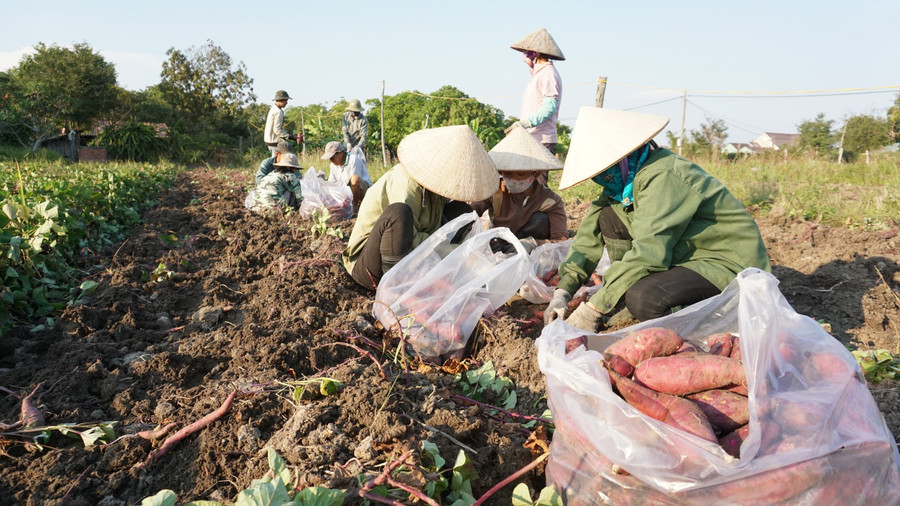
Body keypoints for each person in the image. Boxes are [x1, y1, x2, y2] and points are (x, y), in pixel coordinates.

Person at [544, 107, 771, 332]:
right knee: (609, 216)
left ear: (622, 158)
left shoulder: (662, 174)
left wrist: (594, 308)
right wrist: (563, 292)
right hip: (685, 258)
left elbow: (649, 252)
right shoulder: (626, 183)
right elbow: (586, 239)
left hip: (726, 265)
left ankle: (714, 319)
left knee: (644, 299)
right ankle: (625, 292)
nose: (602, 177)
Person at [343, 125, 499, 290]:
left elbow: (434, 231)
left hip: (414, 258)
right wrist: (455, 252)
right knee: (399, 213)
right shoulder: (406, 183)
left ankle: (440, 274)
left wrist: (471, 252)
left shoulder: (437, 187)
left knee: (461, 212)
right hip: (372, 266)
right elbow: (408, 236)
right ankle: (395, 288)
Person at [469, 123, 567, 249]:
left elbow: (561, 240)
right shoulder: (494, 190)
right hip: (499, 241)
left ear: (536, 173)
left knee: (540, 219)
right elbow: (471, 213)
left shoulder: (550, 200)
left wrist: (533, 244)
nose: (513, 179)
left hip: (531, 247)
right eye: (508, 174)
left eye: (520, 174)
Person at [509, 28, 564, 183]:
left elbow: (549, 107)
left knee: (538, 187)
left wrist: (525, 123)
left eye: (527, 51)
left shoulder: (548, 74)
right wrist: (532, 66)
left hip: (541, 139)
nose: (525, 54)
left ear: (537, 53)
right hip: (533, 137)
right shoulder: (541, 73)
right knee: (528, 184)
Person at [321, 141, 372, 209]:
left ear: (340, 153)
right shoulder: (333, 165)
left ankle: (355, 206)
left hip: (364, 191)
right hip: (347, 192)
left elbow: (355, 182)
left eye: (332, 157)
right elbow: (332, 184)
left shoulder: (353, 159)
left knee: (354, 179)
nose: (331, 160)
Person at [265, 90, 301, 155]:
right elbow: (277, 130)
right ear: (281, 100)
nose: (287, 103)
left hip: (270, 141)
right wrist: (291, 137)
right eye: (286, 101)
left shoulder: (273, 109)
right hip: (274, 142)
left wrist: (291, 136)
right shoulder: (278, 112)